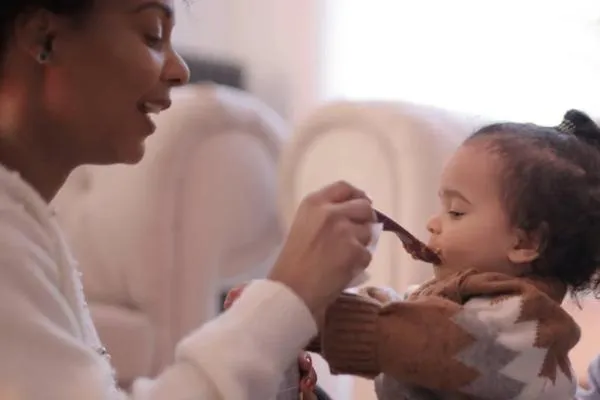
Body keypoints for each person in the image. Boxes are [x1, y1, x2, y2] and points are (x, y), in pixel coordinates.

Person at [0, 1, 376, 399]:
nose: (180, 70)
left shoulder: (27, 227)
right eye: (152, 35)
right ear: (46, 37)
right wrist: (287, 297)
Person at [230, 109, 600, 399]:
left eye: (456, 211)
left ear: (525, 243)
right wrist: (296, 308)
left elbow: (435, 339)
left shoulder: (528, 330)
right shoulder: (463, 303)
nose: (433, 223)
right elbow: (401, 308)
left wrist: (316, 315)